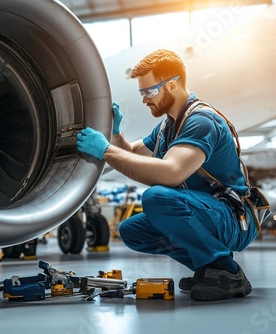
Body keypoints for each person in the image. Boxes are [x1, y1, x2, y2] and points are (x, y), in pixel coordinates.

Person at [76, 49, 258, 301]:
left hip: (232, 218)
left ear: (171, 85)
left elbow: (172, 173)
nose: (144, 100)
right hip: (206, 213)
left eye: (149, 92)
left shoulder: (201, 121)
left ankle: (226, 271)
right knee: (133, 231)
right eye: (142, 92)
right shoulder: (169, 125)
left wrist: (105, 151)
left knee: (157, 197)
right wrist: (115, 134)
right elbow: (132, 153)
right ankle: (208, 268)